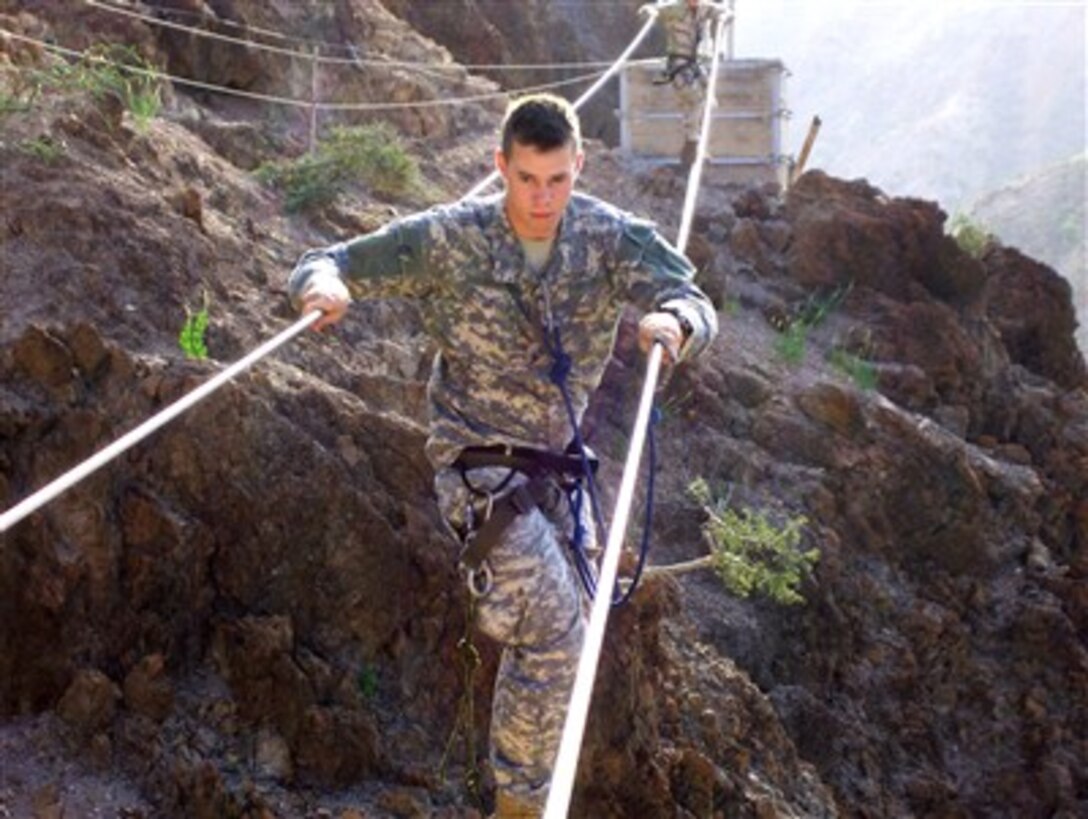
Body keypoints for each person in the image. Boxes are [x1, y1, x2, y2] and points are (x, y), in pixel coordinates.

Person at [288, 93, 717, 817]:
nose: (542, 198)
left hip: (558, 471)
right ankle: (519, 808)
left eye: (558, 179)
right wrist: (322, 286)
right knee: (555, 628)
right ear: (501, 168)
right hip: (478, 468)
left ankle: (529, 793)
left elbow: (691, 296)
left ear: (578, 165)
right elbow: (330, 261)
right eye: (526, 179)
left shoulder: (611, 238)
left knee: (577, 633)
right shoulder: (453, 238)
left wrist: (674, 320)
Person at [642, 0, 733, 169]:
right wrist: (650, 12)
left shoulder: (702, 8)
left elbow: (722, 11)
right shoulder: (674, 9)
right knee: (695, 99)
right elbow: (651, 9)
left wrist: (724, 16)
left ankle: (696, 143)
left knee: (710, 102)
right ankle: (692, 144)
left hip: (694, 65)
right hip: (679, 66)